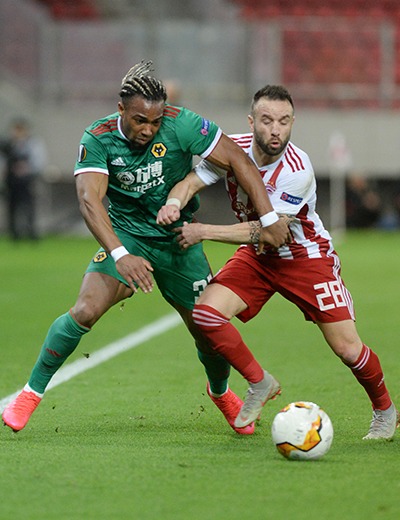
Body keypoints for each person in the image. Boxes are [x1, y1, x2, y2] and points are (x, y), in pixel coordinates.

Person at [2, 62, 289, 434]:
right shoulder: (98, 138)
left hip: (179, 240)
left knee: (209, 330)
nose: (148, 129)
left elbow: (238, 159)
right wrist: (120, 255)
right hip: (127, 236)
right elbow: (89, 201)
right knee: (86, 309)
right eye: (140, 120)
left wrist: (268, 218)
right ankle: (30, 393)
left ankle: (220, 392)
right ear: (121, 109)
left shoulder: (182, 123)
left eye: (155, 121)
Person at [157, 84, 399, 440]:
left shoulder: (297, 170)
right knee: (206, 315)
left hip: (304, 257)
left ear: (292, 123)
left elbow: (271, 233)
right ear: (251, 121)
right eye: (267, 120)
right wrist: (174, 203)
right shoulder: (233, 149)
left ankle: (385, 411)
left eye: (284, 121)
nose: (276, 130)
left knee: (348, 348)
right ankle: (259, 382)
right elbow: (191, 182)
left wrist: (203, 230)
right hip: (258, 257)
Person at [0, 118, 47, 240]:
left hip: (28, 181)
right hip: (11, 182)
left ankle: (31, 232)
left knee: (29, 207)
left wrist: (26, 169)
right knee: (12, 208)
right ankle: (14, 234)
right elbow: (3, 162)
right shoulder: (7, 145)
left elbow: (39, 161)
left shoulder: (33, 144)